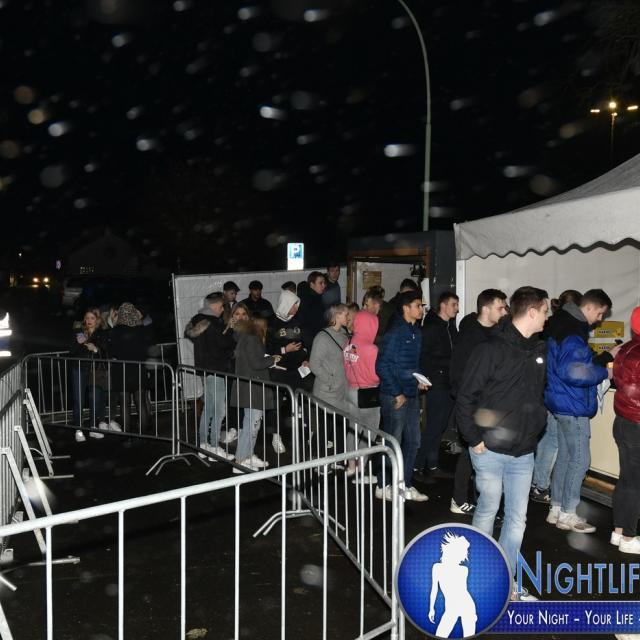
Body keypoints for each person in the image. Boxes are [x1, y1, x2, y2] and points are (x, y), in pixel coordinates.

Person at [456, 286, 548, 599]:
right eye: (545, 311)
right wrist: (473, 439)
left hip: (524, 452)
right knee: (487, 510)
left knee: (517, 520)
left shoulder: (539, 350)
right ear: (532, 312)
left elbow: (537, 396)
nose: (547, 318)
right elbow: (466, 396)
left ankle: (504, 583)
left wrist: (535, 428)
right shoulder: (490, 349)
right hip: (490, 450)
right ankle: (477, 579)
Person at [545, 289, 619, 533]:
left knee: (566, 456)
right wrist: (605, 372)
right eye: (600, 313)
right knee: (580, 459)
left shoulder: (560, 323)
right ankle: (568, 513)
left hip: (560, 401)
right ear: (589, 307)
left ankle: (556, 508)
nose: (600, 319)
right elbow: (575, 372)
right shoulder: (573, 332)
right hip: (573, 403)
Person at [448, 288, 508, 515]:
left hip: (490, 405)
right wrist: (466, 403)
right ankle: (458, 499)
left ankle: (479, 501)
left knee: (484, 455)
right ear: (486, 309)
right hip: (473, 404)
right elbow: (458, 373)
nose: (504, 312)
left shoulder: (497, 334)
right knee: (470, 451)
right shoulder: (470, 336)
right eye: (500, 308)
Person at [375, 290, 431, 502]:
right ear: (406, 308)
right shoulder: (395, 333)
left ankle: (404, 484)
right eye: (418, 305)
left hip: (411, 394)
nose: (422, 309)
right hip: (394, 396)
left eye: (422, 305)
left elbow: (412, 365)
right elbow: (382, 365)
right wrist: (397, 393)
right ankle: (383, 485)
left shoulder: (416, 332)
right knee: (393, 442)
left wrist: (419, 380)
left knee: (414, 442)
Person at [530, 289, 583, 504]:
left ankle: (538, 482)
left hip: (547, 389)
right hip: (557, 392)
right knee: (554, 443)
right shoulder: (567, 329)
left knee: (548, 439)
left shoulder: (549, 325)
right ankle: (541, 484)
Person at [185, 292, 236, 460]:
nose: (222, 310)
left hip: (205, 371)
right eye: (221, 306)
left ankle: (203, 445)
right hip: (217, 370)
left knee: (208, 409)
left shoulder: (197, 320)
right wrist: (230, 331)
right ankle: (214, 447)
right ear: (214, 305)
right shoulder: (214, 323)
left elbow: (209, 345)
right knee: (219, 410)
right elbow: (223, 345)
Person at [415, 291, 459, 478]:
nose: (457, 309)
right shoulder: (432, 328)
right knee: (433, 426)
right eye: (453, 305)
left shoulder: (450, 327)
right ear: (443, 305)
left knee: (440, 427)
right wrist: (428, 376)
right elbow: (424, 356)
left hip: (449, 382)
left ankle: (432, 465)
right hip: (437, 383)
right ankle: (417, 465)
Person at [230, 316, 281, 472]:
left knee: (252, 424)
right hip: (253, 388)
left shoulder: (245, 338)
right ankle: (240, 461)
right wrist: (272, 359)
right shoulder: (252, 339)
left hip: (250, 387)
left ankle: (248, 456)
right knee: (251, 425)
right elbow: (256, 363)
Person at [610, 307, 640, 554]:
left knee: (627, 479)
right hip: (636, 424)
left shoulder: (626, 349)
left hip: (623, 421)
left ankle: (618, 531)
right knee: (634, 483)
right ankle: (629, 538)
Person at [343, 310, 380, 480]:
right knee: (369, 432)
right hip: (368, 393)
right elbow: (375, 375)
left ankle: (351, 466)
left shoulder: (348, 343)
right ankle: (361, 467)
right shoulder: (371, 348)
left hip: (350, 390)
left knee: (353, 430)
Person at [107, 302, 153, 433]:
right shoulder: (141, 330)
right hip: (138, 369)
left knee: (124, 403)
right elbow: (147, 350)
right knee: (141, 402)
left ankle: (127, 434)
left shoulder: (115, 331)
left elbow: (112, 352)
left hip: (122, 371)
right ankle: (143, 434)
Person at [69, 308, 109, 442]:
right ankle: (78, 430)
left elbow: (106, 352)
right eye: (87, 318)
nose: (89, 321)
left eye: (92, 318)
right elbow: (71, 351)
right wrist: (79, 343)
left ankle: (93, 428)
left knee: (95, 399)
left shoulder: (102, 333)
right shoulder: (78, 332)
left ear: (97, 319)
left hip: (95, 370)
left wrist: (95, 349)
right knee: (78, 400)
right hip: (79, 368)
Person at [428, 532, 477, 637]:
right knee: (440, 635)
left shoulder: (464, 570)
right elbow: (434, 589)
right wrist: (431, 608)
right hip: (452, 608)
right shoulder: (437, 567)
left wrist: (473, 613)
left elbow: (463, 591)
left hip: (466, 606)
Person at [309, 304, 350, 409]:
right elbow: (314, 365)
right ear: (337, 315)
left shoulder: (344, 335)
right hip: (327, 393)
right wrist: (332, 382)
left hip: (342, 392)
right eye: (346, 315)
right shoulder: (322, 338)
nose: (349, 317)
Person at [297, 271, 327, 350]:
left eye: (324, 283)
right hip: (310, 340)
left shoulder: (317, 297)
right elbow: (307, 323)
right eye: (320, 283)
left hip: (315, 337)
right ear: (312, 284)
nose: (324, 285)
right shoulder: (307, 300)